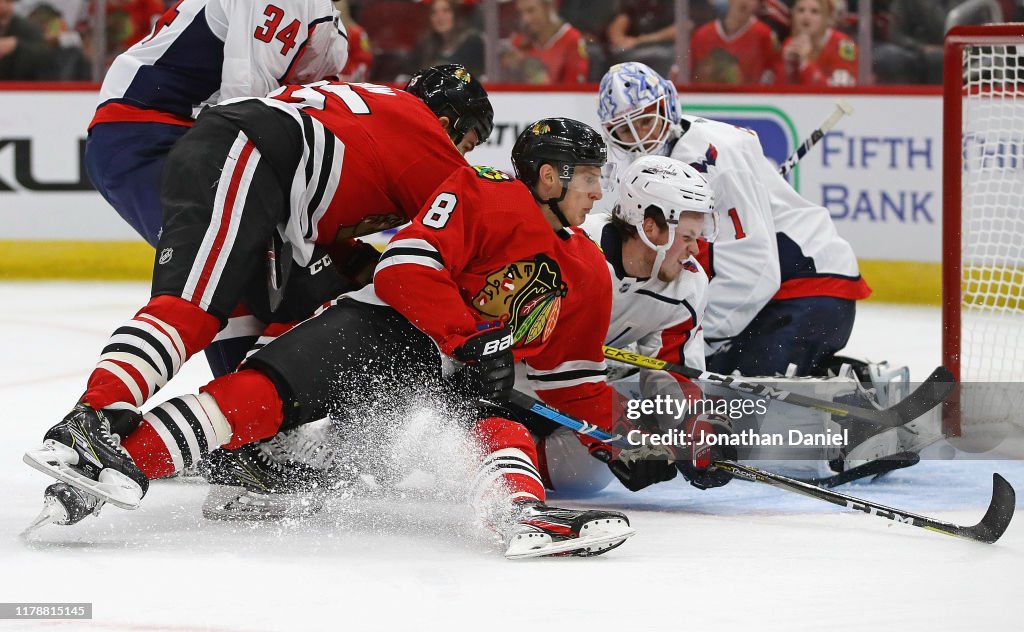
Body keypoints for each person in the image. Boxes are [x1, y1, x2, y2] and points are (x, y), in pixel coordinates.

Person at [26, 118, 644, 560]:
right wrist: (470, 336)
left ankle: (518, 514)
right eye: (588, 176)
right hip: (385, 326)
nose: (597, 192)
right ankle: (113, 463)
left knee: (502, 428)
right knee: (258, 399)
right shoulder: (483, 195)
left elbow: (574, 379)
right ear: (547, 176)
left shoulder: (589, 271)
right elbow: (405, 266)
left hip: (455, 373)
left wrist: (618, 441)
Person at [597, 61, 871, 377]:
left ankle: (856, 389)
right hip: (764, 297)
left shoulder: (715, 159)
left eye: (644, 122)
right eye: (623, 130)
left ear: (667, 106)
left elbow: (754, 270)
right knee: (708, 377)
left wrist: (695, 336)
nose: (637, 137)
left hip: (808, 284)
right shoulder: (637, 170)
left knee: (736, 393)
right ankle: (830, 374)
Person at [531, 154, 736, 496]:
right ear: (650, 226)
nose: (694, 249)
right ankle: (490, 448)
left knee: (585, 477)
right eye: (686, 236)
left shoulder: (687, 286)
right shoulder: (568, 247)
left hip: (582, 389)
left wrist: (694, 430)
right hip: (510, 381)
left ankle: (513, 453)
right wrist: (617, 429)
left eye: (698, 236)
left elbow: (672, 372)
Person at [85, 0, 349, 248]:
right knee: (220, 258)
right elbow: (244, 105)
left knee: (278, 261)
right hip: (142, 132)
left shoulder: (328, 24)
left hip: (183, 130)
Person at [690, 0, 779, 85]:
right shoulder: (702, 35)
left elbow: (773, 75)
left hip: (747, 98)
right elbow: (688, 74)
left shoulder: (764, 36)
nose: (744, 2)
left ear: (758, 5)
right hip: (706, 98)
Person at [500, 0, 588, 84]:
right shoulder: (520, 43)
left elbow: (574, 91)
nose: (525, 19)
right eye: (521, 13)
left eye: (531, 11)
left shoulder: (572, 40)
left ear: (548, 8)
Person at [775, 0, 857, 86]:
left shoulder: (845, 45)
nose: (806, 17)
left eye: (814, 11)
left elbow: (842, 90)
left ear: (828, 18)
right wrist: (788, 67)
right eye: (801, 10)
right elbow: (775, 92)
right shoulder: (790, 44)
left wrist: (805, 64)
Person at [411, 0, 484, 77]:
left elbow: (475, 78)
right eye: (434, 12)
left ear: (456, 14)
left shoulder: (473, 43)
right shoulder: (426, 45)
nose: (440, 17)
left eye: (446, 11)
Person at [0, 0, 54, 80]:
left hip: (18, 86)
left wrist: (17, 45)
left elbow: (45, 55)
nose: (3, 6)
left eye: (8, 1)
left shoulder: (26, 28)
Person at [334, 0, 373, 81]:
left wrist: (346, 78)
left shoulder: (357, 33)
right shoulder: (326, 32)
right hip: (330, 79)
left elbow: (364, 61)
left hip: (348, 82)